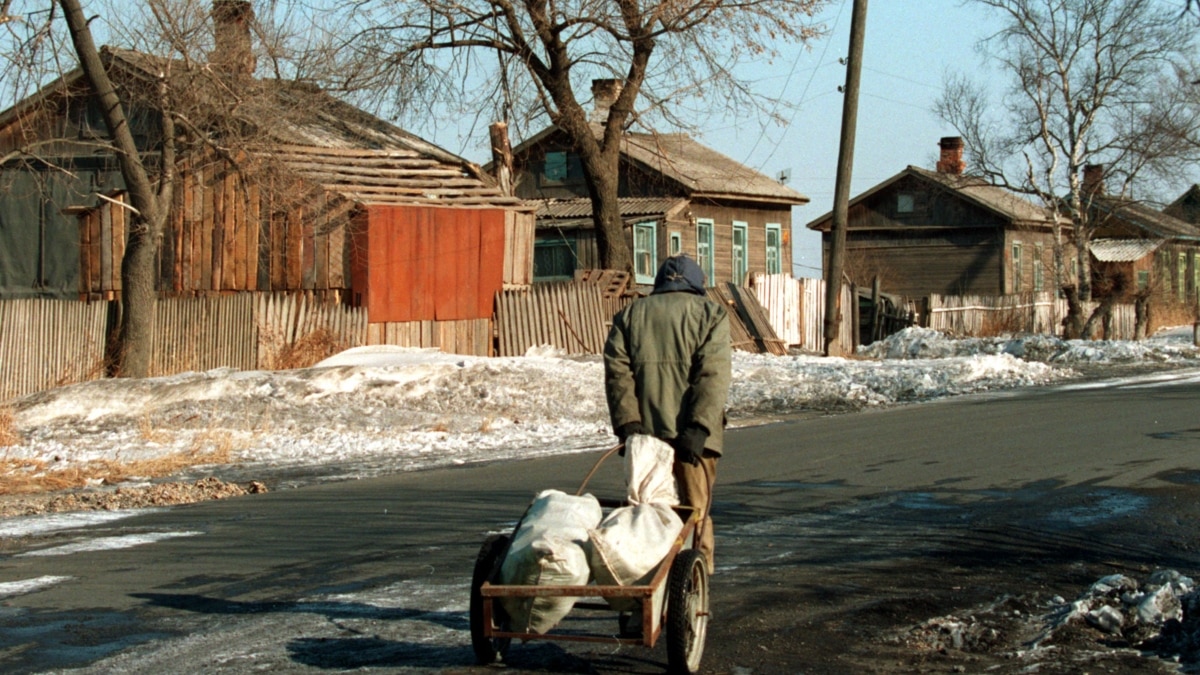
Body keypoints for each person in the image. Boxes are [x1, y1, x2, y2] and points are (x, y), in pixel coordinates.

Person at [603, 255, 731, 572]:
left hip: (645, 436)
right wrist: (699, 427)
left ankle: (646, 591)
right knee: (695, 513)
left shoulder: (629, 316)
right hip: (695, 441)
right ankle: (693, 595)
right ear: (697, 283)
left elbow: (618, 375)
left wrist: (628, 424)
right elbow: (712, 376)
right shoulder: (711, 314)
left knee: (645, 514)